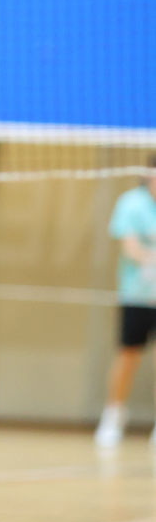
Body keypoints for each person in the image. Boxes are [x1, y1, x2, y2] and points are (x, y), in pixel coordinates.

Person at [94, 158, 156, 449]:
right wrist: (150, 262)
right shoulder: (131, 203)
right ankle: (113, 416)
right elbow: (130, 246)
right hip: (137, 296)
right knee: (128, 356)